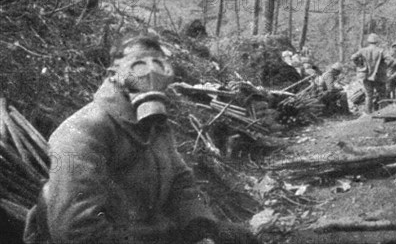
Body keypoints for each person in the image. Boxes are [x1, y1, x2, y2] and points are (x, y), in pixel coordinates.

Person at [24, 33, 260, 244]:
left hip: (152, 233)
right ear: (113, 75)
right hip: (108, 238)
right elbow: (74, 229)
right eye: (137, 65)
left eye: (159, 64)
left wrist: (202, 230)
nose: (150, 74)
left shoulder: (154, 125)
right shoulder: (83, 131)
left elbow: (181, 183)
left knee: (242, 239)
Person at [351, 33, 387, 113]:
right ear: (377, 41)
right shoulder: (381, 51)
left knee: (368, 95)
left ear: (369, 41)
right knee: (382, 95)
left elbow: (353, 57)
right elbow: (390, 60)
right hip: (379, 76)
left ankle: (368, 113)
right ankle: (383, 113)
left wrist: (359, 65)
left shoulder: (363, 50)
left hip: (366, 75)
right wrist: (384, 67)